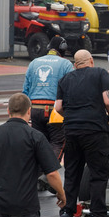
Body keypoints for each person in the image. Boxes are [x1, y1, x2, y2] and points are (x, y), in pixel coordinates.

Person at [56, 49, 109, 217]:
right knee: (98, 174)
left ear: (76, 64)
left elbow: (58, 107)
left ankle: (66, 213)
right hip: (94, 132)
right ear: (91, 61)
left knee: (72, 173)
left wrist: (72, 117)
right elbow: (108, 102)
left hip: (71, 132)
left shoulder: (65, 80)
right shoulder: (100, 73)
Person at [0, 93, 66, 217]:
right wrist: (62, 194)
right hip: (24, 207)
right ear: (29, 111)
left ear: (8, 110)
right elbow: (51, 173)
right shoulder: (35, 137)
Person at [22, 36, 73, 192]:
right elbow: (71, 88)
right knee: (58, 142)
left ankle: (36, 176)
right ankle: (47, 174)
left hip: (34, 109)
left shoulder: (34, 62)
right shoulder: (66, 64)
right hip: (54, 110)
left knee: (38, 144)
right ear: (63, 50)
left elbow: (25, 90)